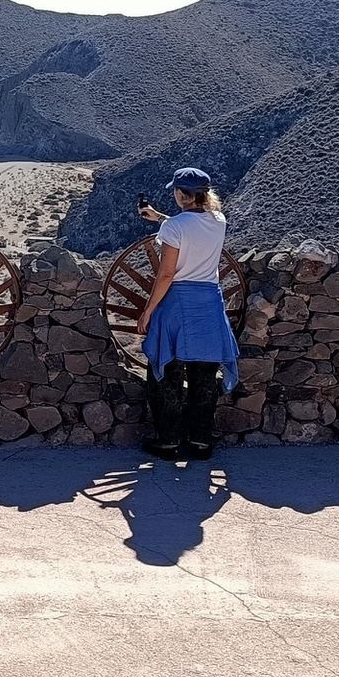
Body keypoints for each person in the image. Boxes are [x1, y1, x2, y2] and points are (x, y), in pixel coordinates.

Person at [135, 167, 239, 460]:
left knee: (166, 371)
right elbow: (194, 229)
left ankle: (168, 441)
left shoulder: (174, 228)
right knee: (205, 374)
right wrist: (159, 218)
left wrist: (148, 311)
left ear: (181, 194)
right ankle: (200, 442)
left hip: (178, 303)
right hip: (208, 304)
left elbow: (166, 274)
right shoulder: (219, 221)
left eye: (176, 191)